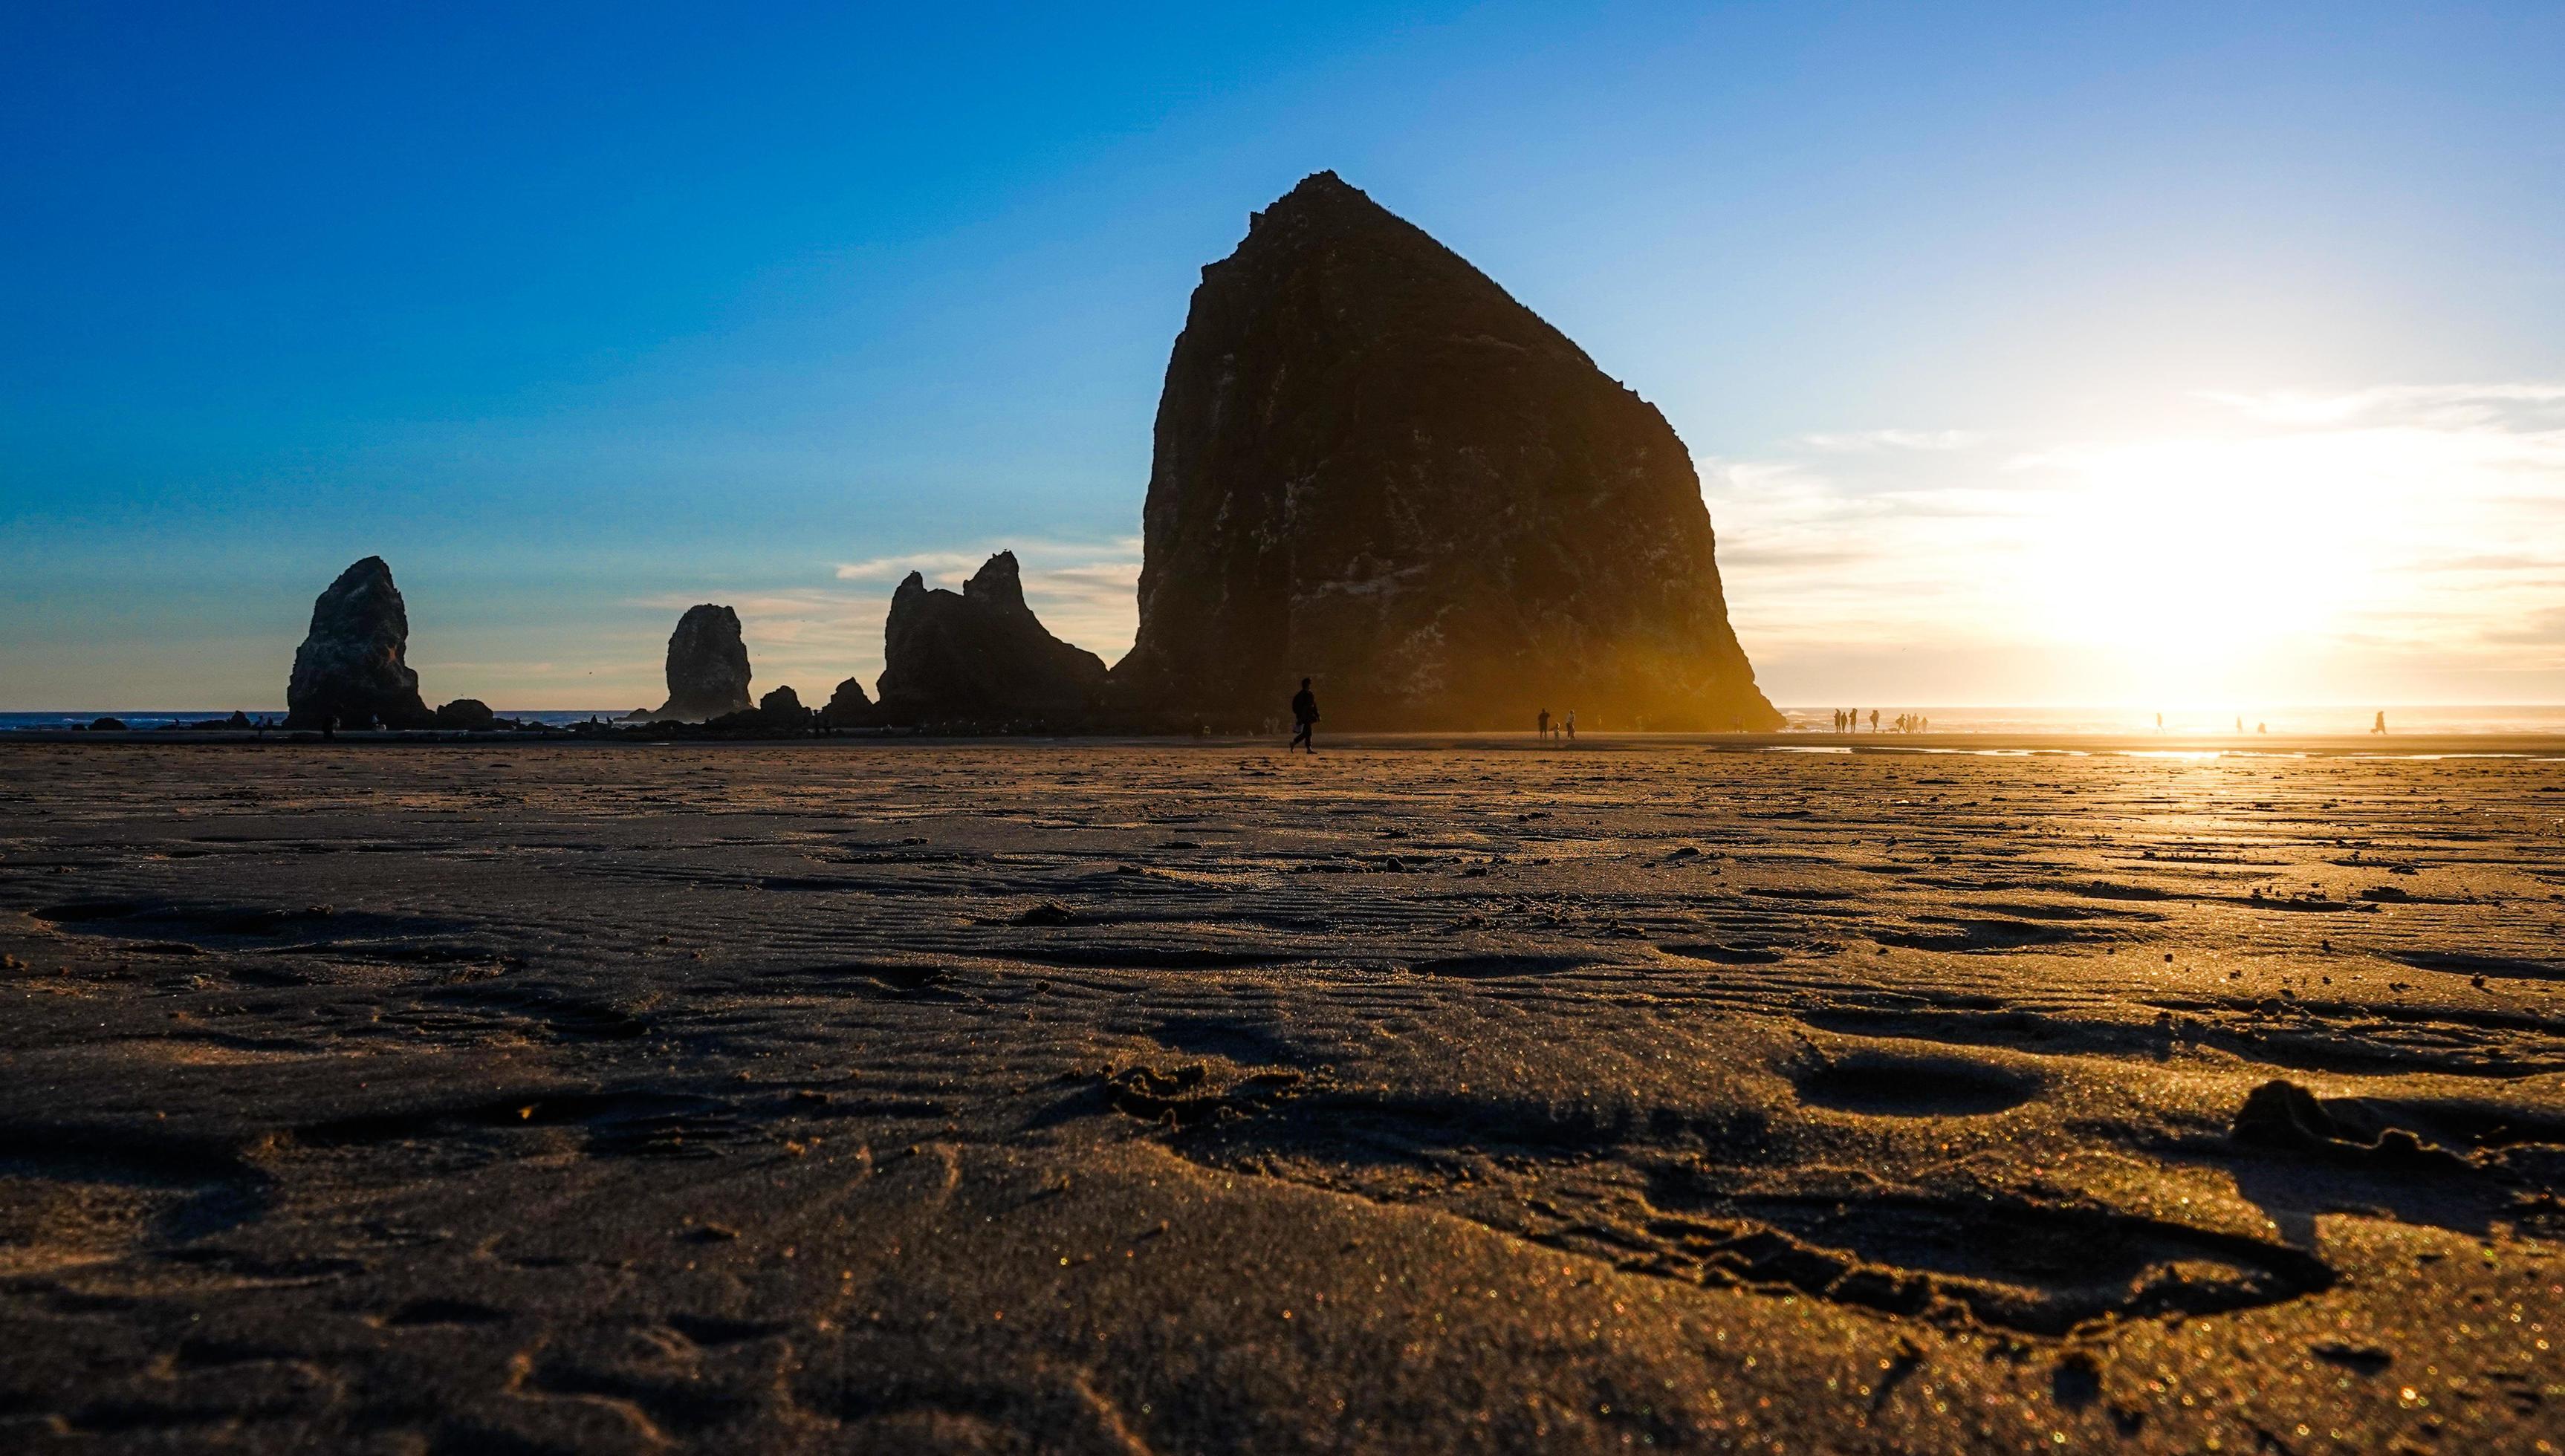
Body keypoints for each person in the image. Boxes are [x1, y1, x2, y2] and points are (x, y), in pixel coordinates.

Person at [1289, 677, 1318, 753]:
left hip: (1308, 716)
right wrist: (1300, 716)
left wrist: (1316, 714)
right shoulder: (1303, 695)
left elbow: (1314, 705)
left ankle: (1294, 743)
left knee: (1306, 732)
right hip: (1304, 717)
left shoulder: (1308, 694)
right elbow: (1305, 706)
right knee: (1308, 732)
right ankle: (1308, 748)